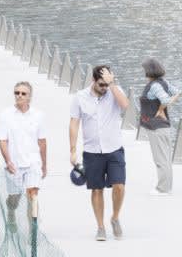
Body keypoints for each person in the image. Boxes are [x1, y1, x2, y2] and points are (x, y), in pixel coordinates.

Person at [69, 65, 130, 241]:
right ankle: (100, 227)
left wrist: (112, 85)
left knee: (119, 186)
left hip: (114, 149)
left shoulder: (114, 91)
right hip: (92, 151)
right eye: (101, 84)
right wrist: (72, 150)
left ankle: (115, 217)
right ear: (93, 81)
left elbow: (125, 105)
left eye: (107, 84)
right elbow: (74, 123)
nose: (104, 88)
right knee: (96, 189)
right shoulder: (80, 97)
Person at [0, 81, 47, 225]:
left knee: (33, 195)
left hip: (33, 163)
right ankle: (11, 209)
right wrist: (8, 161)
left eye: (23, 93)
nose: (19, 96)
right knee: (15, 198)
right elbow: (2, 141)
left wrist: (44, 164)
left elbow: (42, 141)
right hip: (14, 163)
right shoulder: (6, 115)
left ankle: (32, 231)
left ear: (29, 97)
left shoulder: (38, 116)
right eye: (17, 93)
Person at [139, 57, 180, 196]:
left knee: (160, 159)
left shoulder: (155, 86)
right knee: (165, 158)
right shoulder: (164, 82)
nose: (143, 72)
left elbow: (166, 99)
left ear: (149, 71)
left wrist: (160, 109)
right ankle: (166, 186)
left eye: (144, 70)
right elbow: (177, 93)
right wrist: (162, 109)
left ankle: (163, 189)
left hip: (157, 128)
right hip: (163, 126)